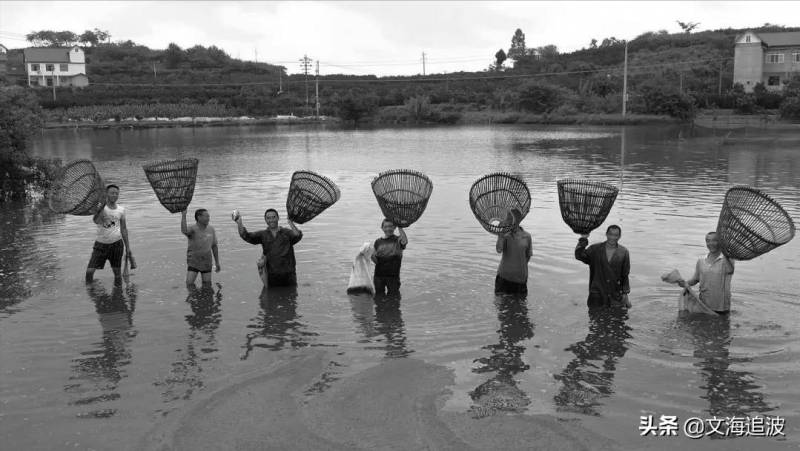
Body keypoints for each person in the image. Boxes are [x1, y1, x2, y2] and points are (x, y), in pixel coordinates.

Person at [234, 208, 302, 286]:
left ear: (278, 218)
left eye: (273, 217)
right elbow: (245, 236)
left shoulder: (287, 233)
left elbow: (298, 235)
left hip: (289, 275)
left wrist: (290, 222)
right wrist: (239, 222)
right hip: (272, 276)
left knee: (291, 295)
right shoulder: (262, 235)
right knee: (272, 295)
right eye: (268, 218)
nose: (271, 220)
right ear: (265, 220)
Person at [86, 184, 135, 283]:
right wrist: (100, 210)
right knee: (89, 272)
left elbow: (124, 229)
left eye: (117, 193)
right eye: (112, 193)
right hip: (100, 245)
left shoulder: (121, 210)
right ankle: (91, 291)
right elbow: (96, 221)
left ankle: (118, 294)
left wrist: (128, 248)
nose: (114, 195)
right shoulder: (100, 208)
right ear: (106, 194)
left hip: (117, 244)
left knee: (117, 274)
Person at [677, 231, 735, 314]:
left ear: (720, 242)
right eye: (708, 241)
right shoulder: (701, 261)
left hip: (721, 307)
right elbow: (695, 279)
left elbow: (730, 270)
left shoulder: (727, 259)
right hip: (703, 305)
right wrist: (684, 283)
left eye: (714, 240)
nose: (711, 243)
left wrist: (726, 251)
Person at [575, 224, 631, 309]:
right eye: (610, 234)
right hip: (596, 293)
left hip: (615, 294)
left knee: (617, 320)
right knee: (595, 319)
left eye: (616, 235)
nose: (612, 237)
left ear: (619, 236)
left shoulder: (624, 252)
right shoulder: (595, 249)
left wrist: (625, 294)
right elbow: (579, 256)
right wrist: (583, 239)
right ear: (606, 234)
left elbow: (625, 274)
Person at [495, 209, 532, 294]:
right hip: (504, 278)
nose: (508, 221)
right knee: (502, 306)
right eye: (507, 218)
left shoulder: (527, 236)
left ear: (518, 219)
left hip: (520, 279)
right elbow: (499, 250)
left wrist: (519, 268)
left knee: (520, 306)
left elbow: (528, 256)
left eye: (510, 218)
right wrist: (500, 235)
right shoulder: (505, 235)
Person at [181, 208, 220, 286]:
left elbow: (214, 246)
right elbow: (184, 231)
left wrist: (217, 262)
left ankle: (203, 298)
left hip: (206, 261)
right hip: (194, 261)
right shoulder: (192, 229)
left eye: (209, 216)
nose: (208, 218)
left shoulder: (211, 229)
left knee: (207, 286)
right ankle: (194, 297)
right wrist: (184, 215)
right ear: (199, 217)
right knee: (189, 284)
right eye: (206, 216)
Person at [371, 218, 408, 298]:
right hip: (378, 276)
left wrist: (400, 226)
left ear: (394, 227)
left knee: (394, 298)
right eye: (386, 226)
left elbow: (404, 240)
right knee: (379, 298)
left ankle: (392, 310)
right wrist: (370, 255)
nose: (388, 229)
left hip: (393, 276)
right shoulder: (378, 242)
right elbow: (375, 260)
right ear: (382, 228)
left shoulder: (398, 240)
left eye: (390, 226)